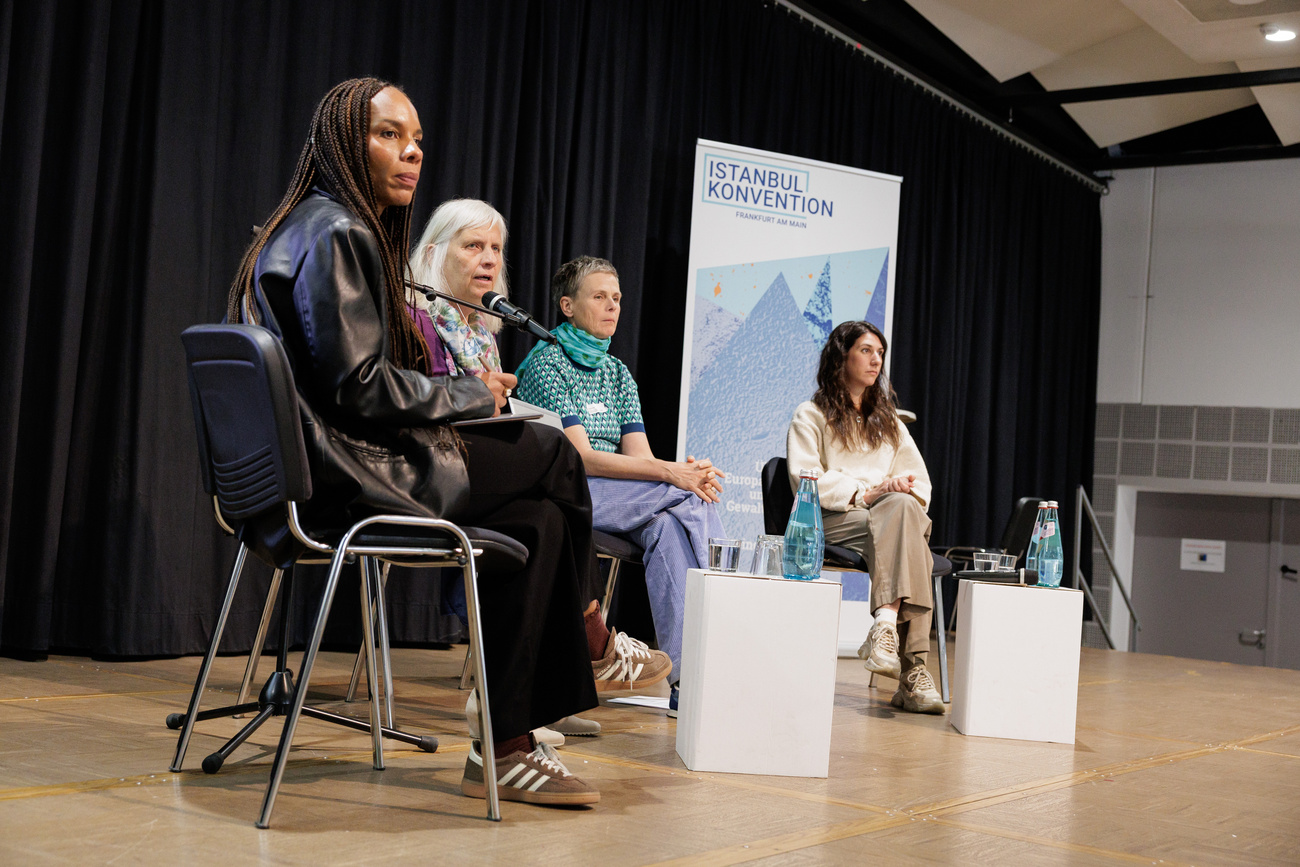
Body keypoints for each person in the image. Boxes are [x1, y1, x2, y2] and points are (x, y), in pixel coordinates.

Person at [227, 78, 667, 807]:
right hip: (346, 476)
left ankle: (507, 747)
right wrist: (472, 395)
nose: (411, 153)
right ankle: (590, 633)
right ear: (344, 141)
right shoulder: (338, 231)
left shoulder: (300, 225)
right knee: (554, 452)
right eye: (388, 135)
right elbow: (358, 387)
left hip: (320, 470)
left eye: (418, 140)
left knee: (537, 519)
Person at [514, 256, 726, 710]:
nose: (613, 306)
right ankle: (727, 610)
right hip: (566, 493)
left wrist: (676, 474)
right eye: (599, 297)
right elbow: (581, 459)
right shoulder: (548, 365)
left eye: (617, 298)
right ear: (568, 306)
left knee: (669, 524)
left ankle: (688, 685)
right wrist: (674, 474)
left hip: (621, 500)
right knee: (690, 496)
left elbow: (639, 458)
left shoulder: (617, 373)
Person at [785, 320, 943, 714]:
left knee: (902, 513)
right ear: (842, 356)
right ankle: (914, 672)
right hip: (832, 519)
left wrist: (896, 490)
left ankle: (885, 627)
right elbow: (805, 479)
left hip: (886, 519)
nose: (876, 360)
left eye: (880, 353)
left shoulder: (889, 421)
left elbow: (921, 485)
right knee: (911, 541)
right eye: (866, 351)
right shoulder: (810, 414)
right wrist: (866, 493)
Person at [408, 198, 509, 376]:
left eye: (496, 248)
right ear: (432, 255)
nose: (491, 260)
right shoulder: (412, 322)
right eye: (473, 246)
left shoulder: (482, 332)